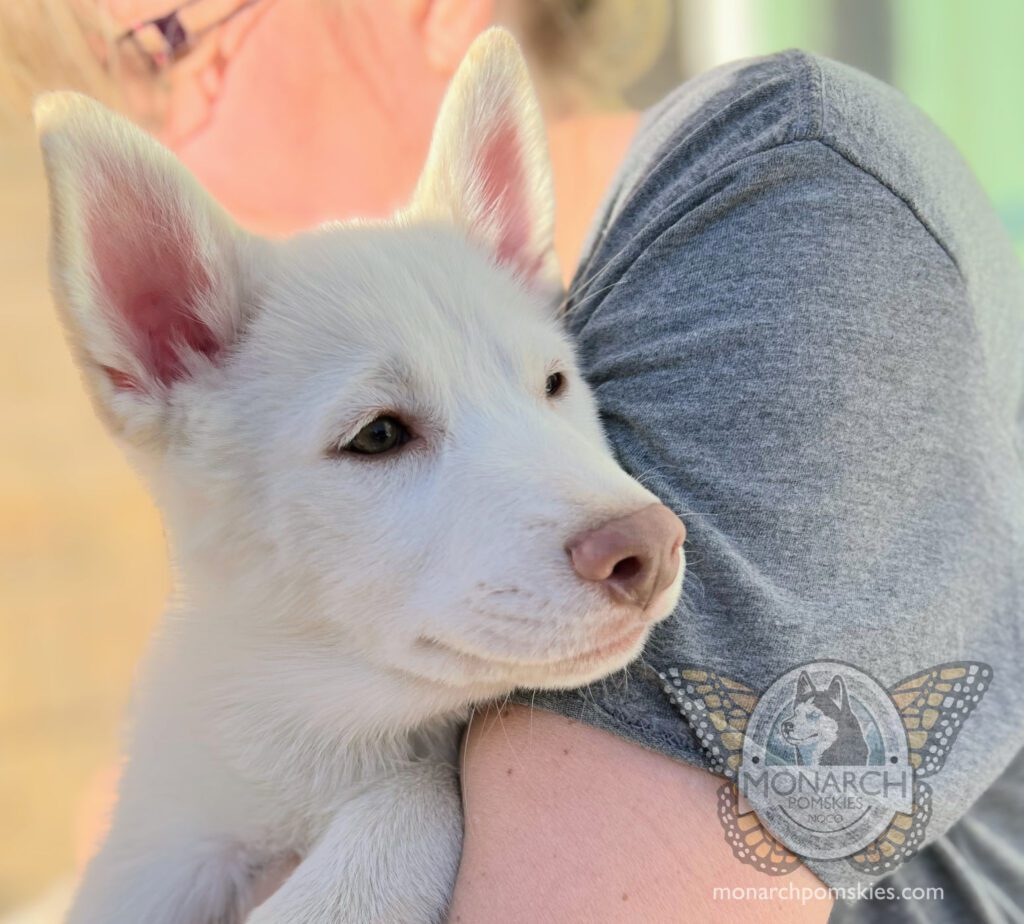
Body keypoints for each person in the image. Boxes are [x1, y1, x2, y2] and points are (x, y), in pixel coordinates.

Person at [3, 2, 1022, 921]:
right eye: (381, 435)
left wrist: (400, 831)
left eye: (172, 43)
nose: (145, 106)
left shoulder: (789, 191)